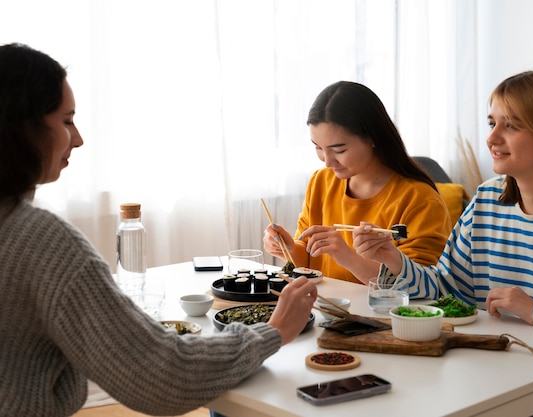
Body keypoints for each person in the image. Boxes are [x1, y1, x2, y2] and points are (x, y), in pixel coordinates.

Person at [0, 43, 317, 417]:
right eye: (67, 120)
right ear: (24, 127)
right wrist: (274, 330)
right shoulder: (40, 242)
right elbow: (161, 375)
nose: (79, 138)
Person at [353, 70, 533, 417]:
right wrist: (393, 259)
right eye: (491, 122)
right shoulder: (487, 199)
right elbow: (449, 290)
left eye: (511, 125)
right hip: (482, 387)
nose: (492, 138)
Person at [263, 81, 451, 284]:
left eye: (339, 150)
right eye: (318, 147)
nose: (327, 161)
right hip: (324, 310)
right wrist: (288, 248)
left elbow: (421, 288)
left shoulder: (420, 200)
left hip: (382, 314)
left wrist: (347, 257)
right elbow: (309, 258)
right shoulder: (321, 182)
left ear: (372, 138)